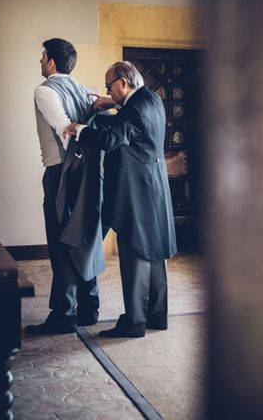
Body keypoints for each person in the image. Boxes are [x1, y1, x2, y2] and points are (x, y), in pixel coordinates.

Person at [64, 61, 177, 338]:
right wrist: (110, 105)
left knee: (134, 252)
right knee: (154, 252)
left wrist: (78, 129)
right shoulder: (152, 99)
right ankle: (157, 317)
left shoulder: (134, 109)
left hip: (135, 192)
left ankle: (134, 323)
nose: (107, 91)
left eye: (109, 86)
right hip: (153, 187)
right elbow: (128, 121)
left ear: (123, 83)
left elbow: (112, 139)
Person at [26, 38, 104, 335]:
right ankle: (89, 307)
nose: (40, 61)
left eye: (43, 56)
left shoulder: (43, 90)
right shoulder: (83, 89)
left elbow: (65, 130)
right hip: (88, 170)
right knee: (85, 235)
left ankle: (64, 313)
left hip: (61, 172)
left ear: (52, 63)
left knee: (61, 241)